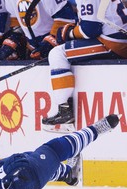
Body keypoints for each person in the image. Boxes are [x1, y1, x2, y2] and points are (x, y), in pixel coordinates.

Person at [42, 0, 127, 133]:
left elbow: (90, 30)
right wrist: (71, 30)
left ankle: (65, 112)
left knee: (58, 54)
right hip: (119, 39)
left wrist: (68, 33)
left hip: (111, 43)